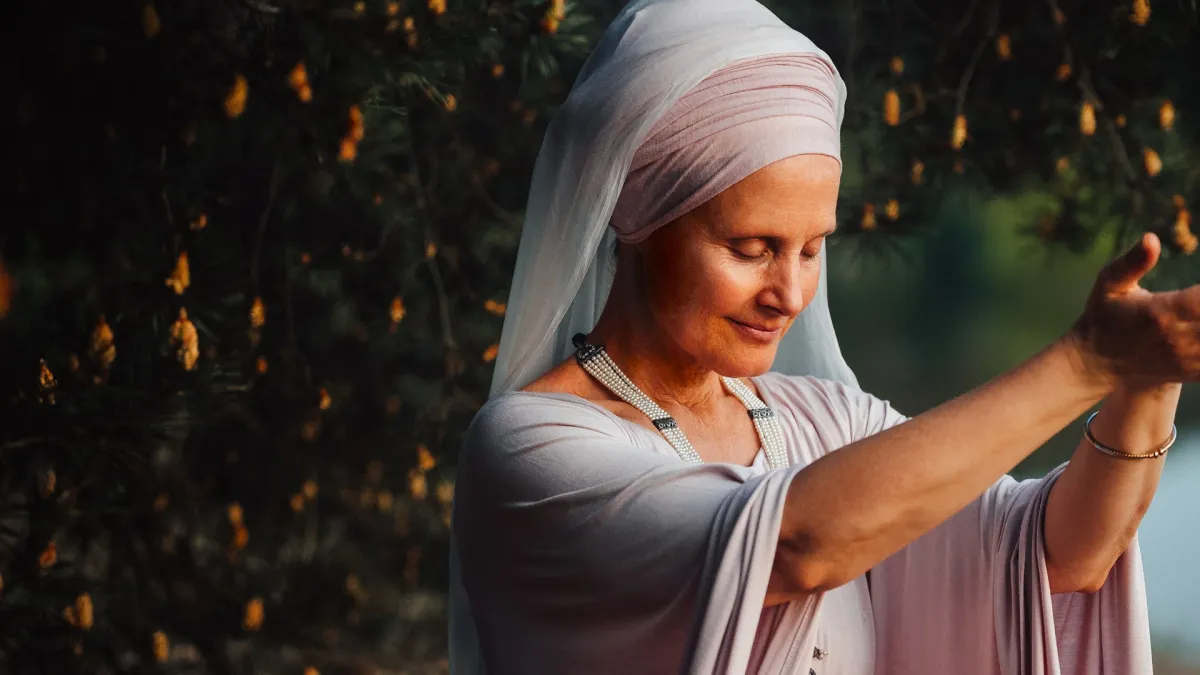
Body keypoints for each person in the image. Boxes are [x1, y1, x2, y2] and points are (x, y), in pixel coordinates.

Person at [448, 0, 1196, 672]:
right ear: (636, 215)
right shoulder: (532, 450)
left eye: (812, 249)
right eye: (751, 247)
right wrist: (1086, 359)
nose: (791, 294)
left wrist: (1147, 375)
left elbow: (1063, 554)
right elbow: (796, 545)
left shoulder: (826, 423)